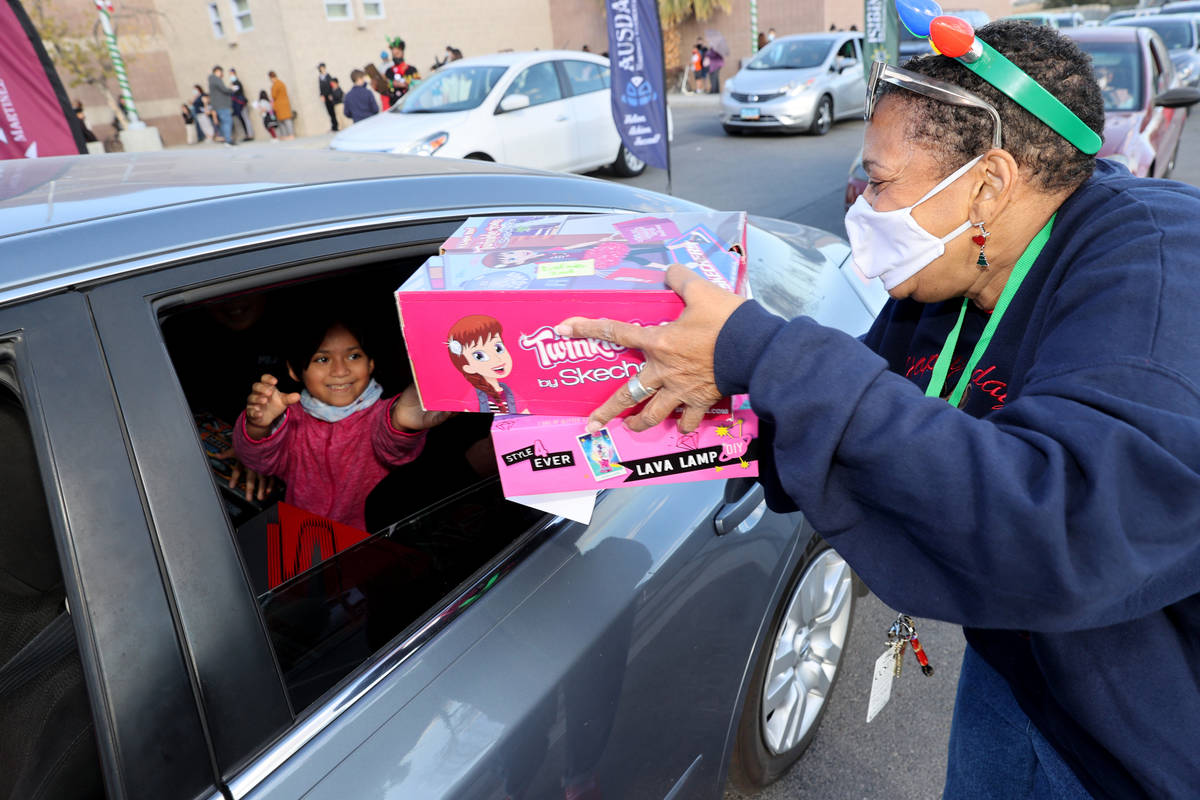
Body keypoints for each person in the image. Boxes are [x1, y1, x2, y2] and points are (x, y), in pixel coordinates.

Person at [556, 19, 1200, 800]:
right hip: (1023, 672)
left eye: (880, 181)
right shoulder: (950, 277)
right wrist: (669, 419)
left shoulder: (1154, 281)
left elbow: (1062, 524)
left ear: (989, 185)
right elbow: (865, 413)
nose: (860, 206)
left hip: (1141, 741)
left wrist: (763, 351)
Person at [234, 314, 449, 531]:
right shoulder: (291, 419)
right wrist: (257, 426)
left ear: (371, 363)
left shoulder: (384, 415)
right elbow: (260, 461)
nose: (340, 371)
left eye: (354, 356)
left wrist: (402, 426)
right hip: (304, 539)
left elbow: (394, 448)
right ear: (294, 370)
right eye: (323, 359)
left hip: (371, 542)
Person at [208, 65, 236, 146]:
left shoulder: (212, 80)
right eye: (221, 72)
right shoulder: (216, 79)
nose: (222, 74)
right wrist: (231, 89)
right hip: (222, 105)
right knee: (227, 121)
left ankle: (227, 139)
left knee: (225, 122)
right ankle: (228, 140)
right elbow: (224, 89)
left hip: (219, 105)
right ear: (217, 71)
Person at [228, 68, 254, 141]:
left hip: (241, 105)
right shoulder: (233, 83)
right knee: (243, 120)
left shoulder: (237, 83)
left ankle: (250, 135)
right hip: (237, 106)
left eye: (231, 74)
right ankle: (247, 135)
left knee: (246, 119)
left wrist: (231, 88)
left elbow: (236, 92)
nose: (231, 75)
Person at [268, 70, 295, 140]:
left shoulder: (276, 85)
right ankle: (287, 135)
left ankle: (290, 135)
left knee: (285, 121)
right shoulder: (281, 83)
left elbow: (273, 96)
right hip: (283, 104)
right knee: (284, 120)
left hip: (280, 105)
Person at [385, 37, 410, 106]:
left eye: (397, 54)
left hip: (408, 105)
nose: (395, 57)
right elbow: (385, 90)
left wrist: (403, 84)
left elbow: (417, 86)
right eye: (394, 55)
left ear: (402, 53)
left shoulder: (411, 69)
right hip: (394, 106)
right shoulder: (389, 71)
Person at [317, 62, 339, 132]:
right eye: (320, 68)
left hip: (330, 96)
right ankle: (333, 126)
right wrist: (321, 95)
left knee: (333, 111)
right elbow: (320, 87)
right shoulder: (320, 77)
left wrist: (331, 94)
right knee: (329, 111)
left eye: (322, 68)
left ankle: (336, 126)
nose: (322, 69)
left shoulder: (328, 76)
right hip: (325, 97)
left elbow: (331, 85)